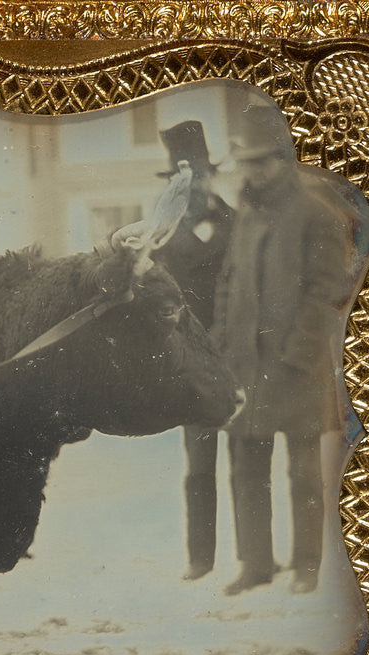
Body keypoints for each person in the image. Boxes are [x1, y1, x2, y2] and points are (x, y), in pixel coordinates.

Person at [214, 105, 359, 595]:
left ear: (283, 159)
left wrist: (297, 355)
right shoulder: (247, 214)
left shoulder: (316, 214)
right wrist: (220, 347)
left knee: (302, 474)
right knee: (245, 469)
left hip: (296, 367)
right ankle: (256, 566)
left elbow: (326, 294)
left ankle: (306, 566)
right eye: (247, 162)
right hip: (246, 367)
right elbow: (227, 286)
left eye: (263, 161)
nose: (254, 171)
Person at [150, 121, 233, 582]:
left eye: (200, 175)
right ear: (174, 183)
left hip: (239, 354)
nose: (195, 184)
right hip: (193, 359)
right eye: (185, 177)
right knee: (200, 461)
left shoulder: (237, 222)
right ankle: (201, 558)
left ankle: (254, 561)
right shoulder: (161, 234)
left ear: (210, 176)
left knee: (248, 459)